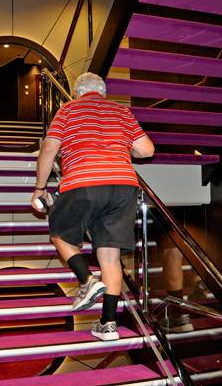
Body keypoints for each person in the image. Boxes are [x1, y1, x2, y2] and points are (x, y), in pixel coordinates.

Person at [31, 72, 155, 341]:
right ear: (103, 92)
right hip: (124, 186)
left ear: (77, 92)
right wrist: (123, 147)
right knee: (110, 256)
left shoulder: (67, 110)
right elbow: (146, 150)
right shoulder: (121, 111)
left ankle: (86, 280)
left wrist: (40, 189)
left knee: (59, 232)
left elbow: (49, 150)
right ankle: (108, 325)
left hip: (83, 182)